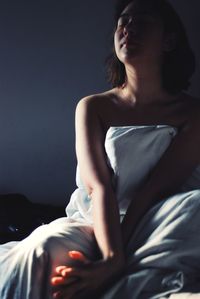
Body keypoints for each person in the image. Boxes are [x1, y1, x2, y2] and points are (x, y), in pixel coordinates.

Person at [0, 0, 200, 298]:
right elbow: (99, 187)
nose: (127, 27)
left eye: (141, 20)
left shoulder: (191, 112)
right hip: (96, 220)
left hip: (160, 217)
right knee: (41, 251)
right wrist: (111, 255)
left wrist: (116, 260)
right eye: (123, 21)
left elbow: (155, 189)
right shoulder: (94, 106)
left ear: (169, 40)